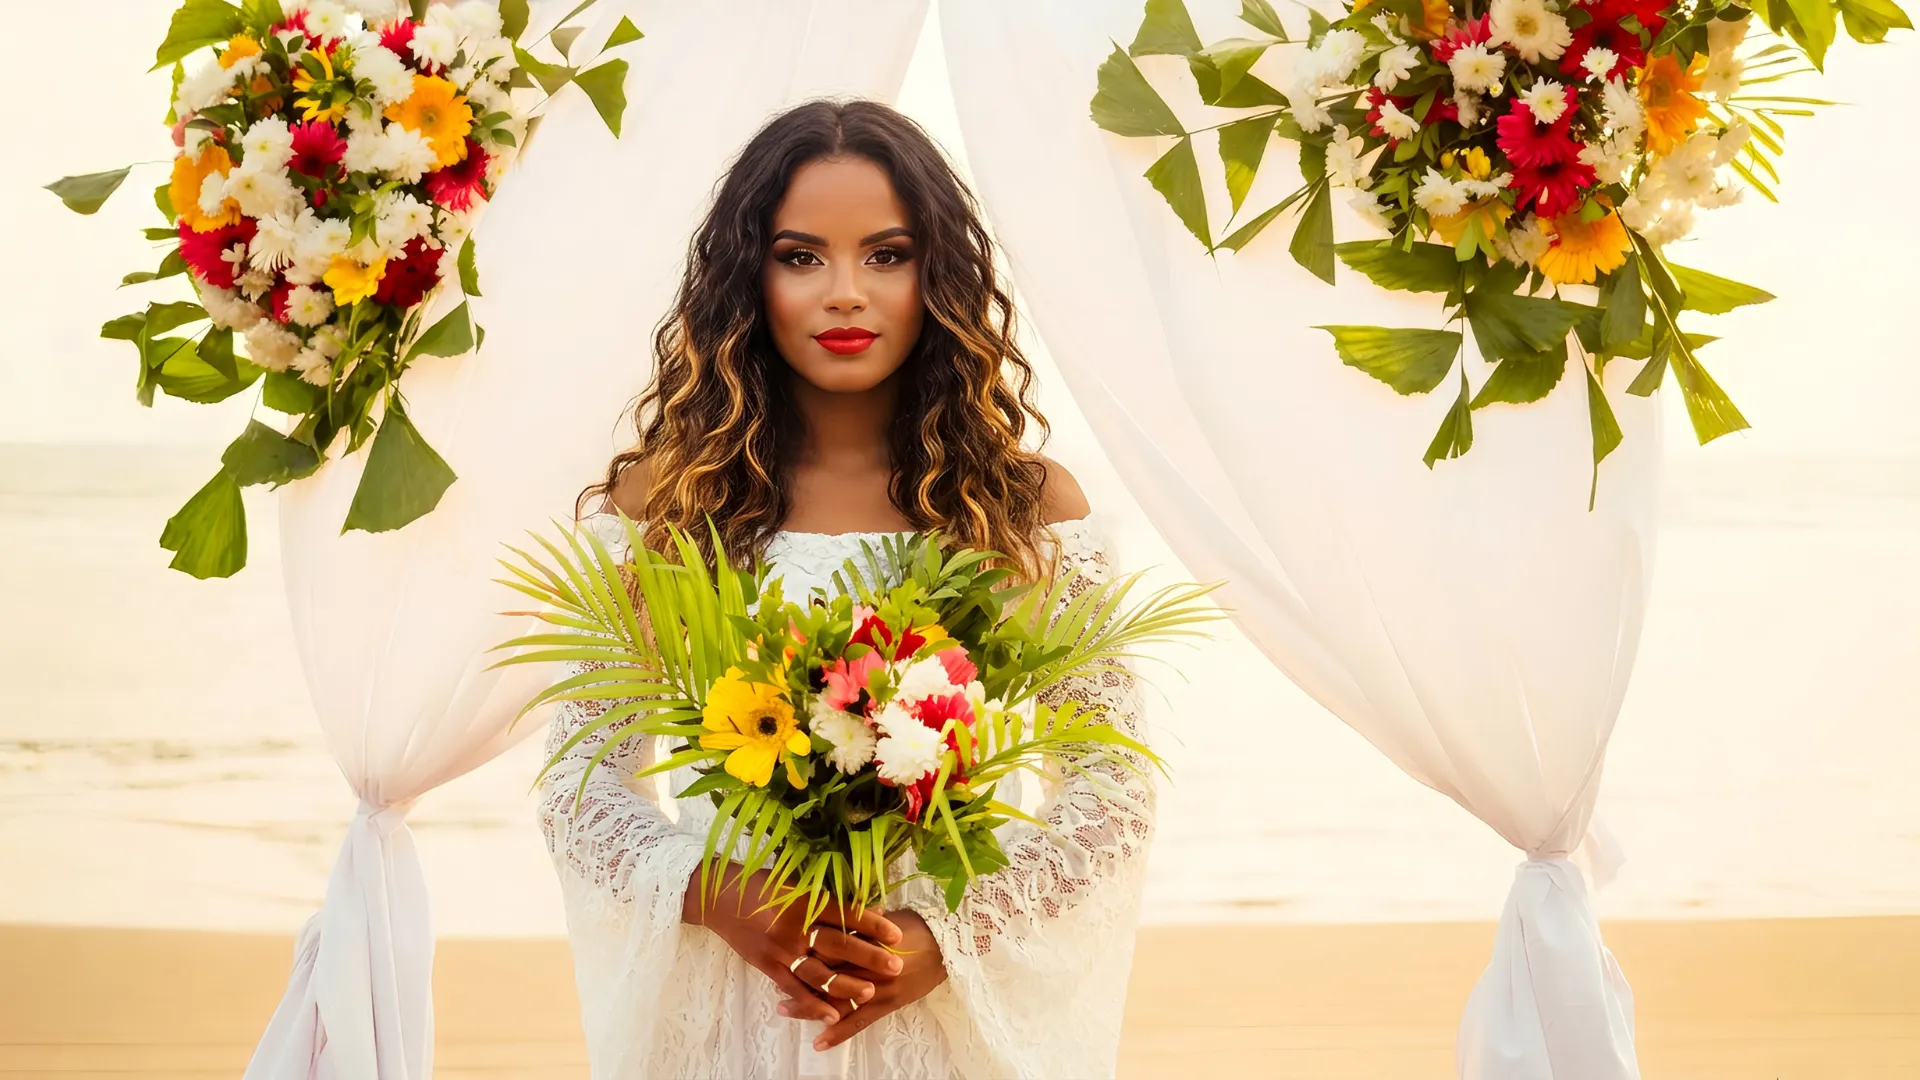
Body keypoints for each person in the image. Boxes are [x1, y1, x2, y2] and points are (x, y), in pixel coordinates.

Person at [537, 98, 1153, 1079]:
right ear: (749, 276)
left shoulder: (1019, 510)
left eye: (886, 254)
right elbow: (580, 784)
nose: (844, 294)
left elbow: (1110, 790)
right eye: (799, 256)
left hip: (930, 1011)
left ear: (937, 273)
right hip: (734, 1004)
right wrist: (715, 892)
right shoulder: (664, 506)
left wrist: (939, 939)